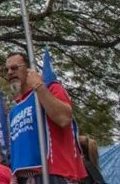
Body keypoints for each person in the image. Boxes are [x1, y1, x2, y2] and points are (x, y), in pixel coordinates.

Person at [5, 53, 87, 183]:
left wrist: (39, 87)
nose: (9, 72)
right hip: (24, 179)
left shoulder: (50, 88)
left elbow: (64, 118)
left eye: (14, 68)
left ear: (29, 69)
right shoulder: (15, 109)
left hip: (53, 175)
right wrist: (14, 173)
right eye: (7, 69)